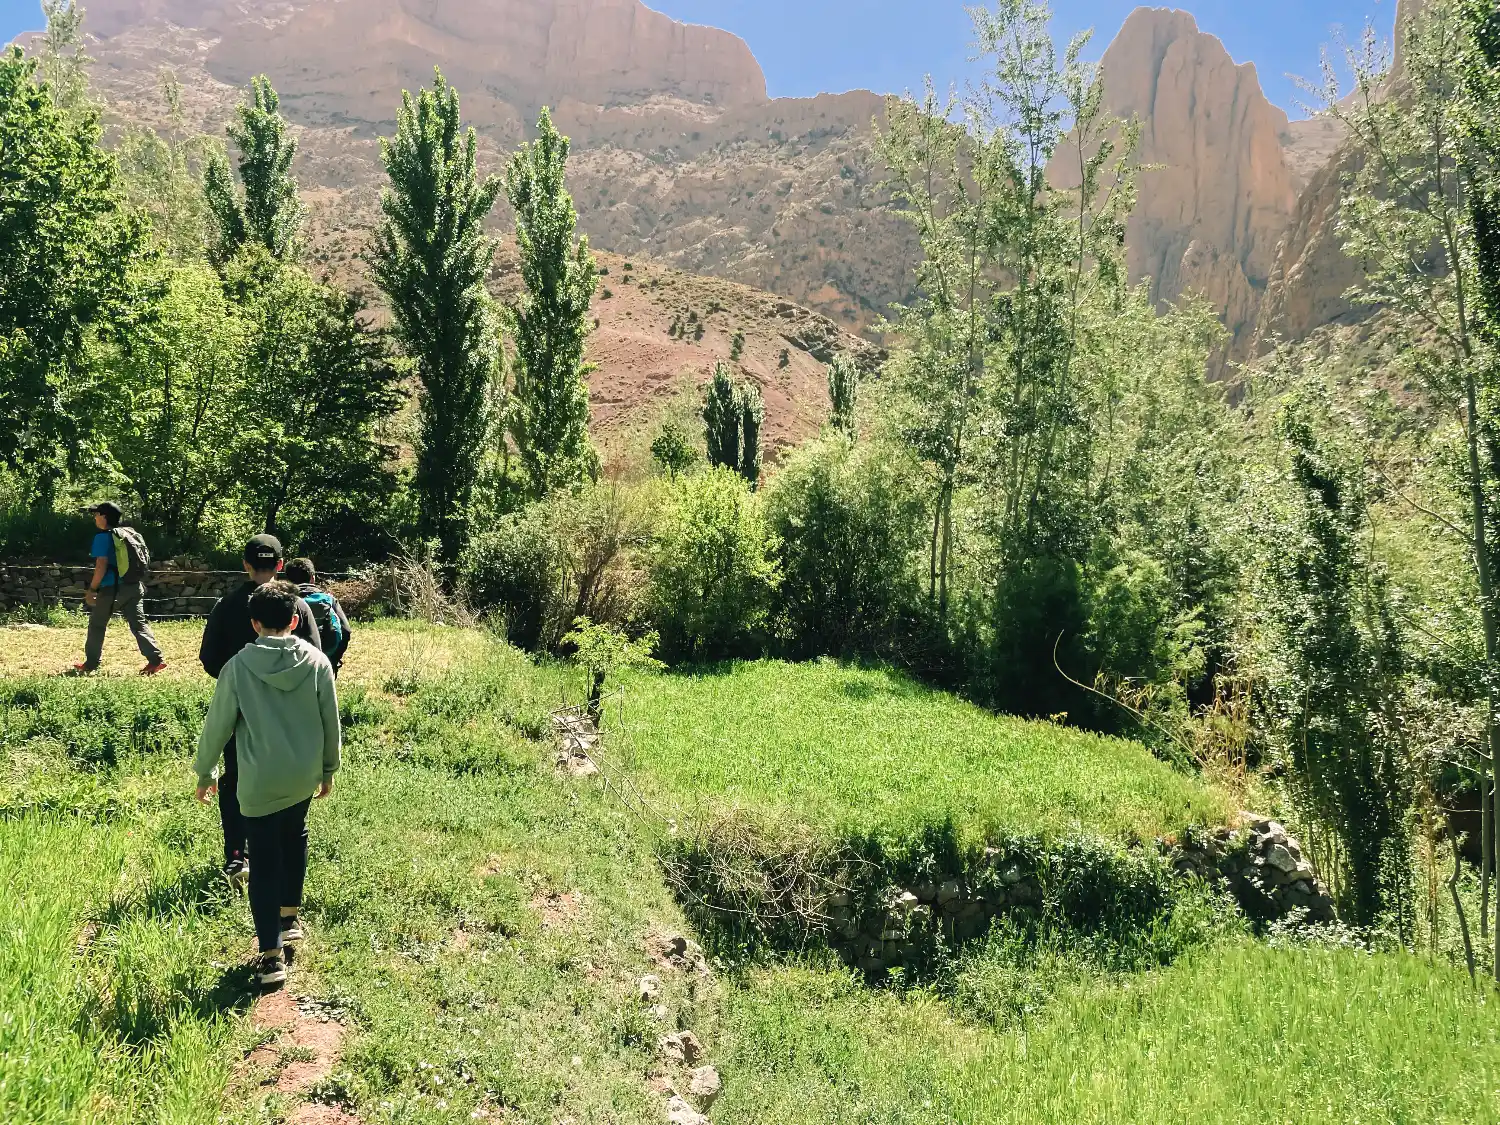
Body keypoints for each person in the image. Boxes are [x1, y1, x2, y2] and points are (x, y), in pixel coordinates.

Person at [194, 581, 340, 989]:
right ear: (295, 620)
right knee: (295, 836)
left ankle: (271, 957)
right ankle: (289, 919)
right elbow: (331, 720)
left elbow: (217, 726)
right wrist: (328, 769)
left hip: (257, 779)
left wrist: (206, 773)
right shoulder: (317, 662)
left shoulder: (237, 668)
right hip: (302, 776)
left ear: (254, 623)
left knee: (262, 860)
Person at [200, 534, 323, 887]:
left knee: (236, 778)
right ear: (281, 565)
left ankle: (237, 855)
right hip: (290, 716)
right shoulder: (296, 606)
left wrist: (236, 683)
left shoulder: (227, 605)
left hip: (241, 713)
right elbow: (316, 654)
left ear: (245, 565)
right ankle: (281, 852)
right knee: (286, 780)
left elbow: (209, 658)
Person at [74, 501, 167, 676]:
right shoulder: (128, 533)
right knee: (139, 624)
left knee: (97, 624)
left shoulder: (103, 537)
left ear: (104, 517)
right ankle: (156, 660)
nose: (95, 517)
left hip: (113, 589)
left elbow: (101, 565)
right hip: (134, 586)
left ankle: (91, 663)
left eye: (97, 514)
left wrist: (92, 590)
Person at [284, 558, 352, 676]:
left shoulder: (285, 602)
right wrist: (333, 660)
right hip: (324, 663)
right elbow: (346, 631)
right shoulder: (328, 600)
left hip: (292, 666)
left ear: (288, 580)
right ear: (312, 577)